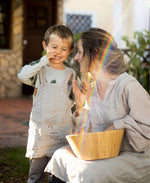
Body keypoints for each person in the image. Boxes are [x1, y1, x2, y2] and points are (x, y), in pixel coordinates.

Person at [44, 28, 150, 183]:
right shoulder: (91, 88)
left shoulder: (128, 85)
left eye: (80, 52)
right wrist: (80, 108)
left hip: (133, 156)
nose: (76, 58)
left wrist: (117, 125)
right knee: (60, 155)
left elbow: (148, 127)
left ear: (94, 54)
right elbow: (87, 136)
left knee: (87, 172)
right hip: (101, 152)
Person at [18, 25, 77, 183]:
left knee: (58, 175)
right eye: (54, 47)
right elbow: (22, 75)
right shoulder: (40, 71)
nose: (58, 52)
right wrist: (44, 59)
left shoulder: (70, 74)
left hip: (61, 132)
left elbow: (73, 99)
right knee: (35, 174)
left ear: (70, 51)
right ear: (45, 46)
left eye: (64, 49)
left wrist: (81, 92)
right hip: (41, 133)